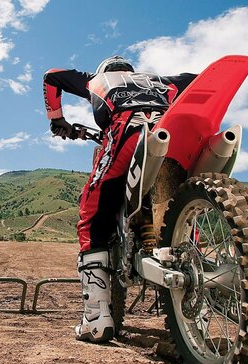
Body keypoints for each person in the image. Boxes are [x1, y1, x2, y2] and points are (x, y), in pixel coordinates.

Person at [43, 56, 196, 343]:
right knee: (184, 208)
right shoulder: (162, 81)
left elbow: (53, 75)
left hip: (127, 132)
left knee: (91, 212)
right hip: (172, 135)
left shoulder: (97, 80)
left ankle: (96, 319)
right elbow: (202, 79)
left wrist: (58, 120)